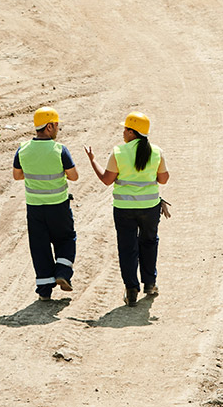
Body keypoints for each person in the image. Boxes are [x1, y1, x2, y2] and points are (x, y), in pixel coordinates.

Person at [84, 112, 169, 307]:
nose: (123, 132)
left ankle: (131, 290)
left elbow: (106, 180)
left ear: (132, 132)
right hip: (150, 208)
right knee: (149, 243)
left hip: (124, 209)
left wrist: (92, 161)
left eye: (125, 129)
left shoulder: (119, 152)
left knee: (127, 248)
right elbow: (163, 179)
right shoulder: (156, 152)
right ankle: (150, 283)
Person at [13, 107, 79, 301]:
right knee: (66, 239)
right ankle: (63, 272)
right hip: (58, 206)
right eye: (57, 125)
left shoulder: (23, 149)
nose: (58, 129)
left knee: (39, 246)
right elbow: (74, 176)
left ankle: (44, 291)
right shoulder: (59, 150)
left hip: (34, 208)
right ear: (49, 126)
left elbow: (17, 176)